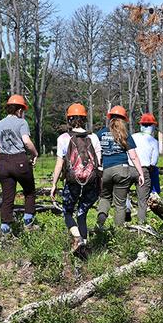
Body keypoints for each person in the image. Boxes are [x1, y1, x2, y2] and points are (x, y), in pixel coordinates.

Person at [50, 103, 102, 256]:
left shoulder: (63, 138)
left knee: (67, 212)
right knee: (82, 212)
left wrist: (54, 184)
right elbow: (98, 163)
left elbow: (60, 163)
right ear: (84, 119)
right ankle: (84, 247)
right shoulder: (93, 137)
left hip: (72, 181)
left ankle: (77, 238)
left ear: (69, 119)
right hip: (91, 181)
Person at [0, 94, 39, 234]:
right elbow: (26, 141)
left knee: (7, 198)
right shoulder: (21, 122)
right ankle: (28, 222)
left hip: (4, 162)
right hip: (19, 160)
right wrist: (35, 153)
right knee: (29, 191)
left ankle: (5, 230)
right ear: (19, 110)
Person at [96, 105, 146, 228]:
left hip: (105, 171)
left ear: (110, 118)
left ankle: (101, 220)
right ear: (123, 119)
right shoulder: (125, 134)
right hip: (122, 170)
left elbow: (95, 152)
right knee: (120, 204)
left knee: (105, 197)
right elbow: (133, 156)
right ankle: (118, 231)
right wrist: (141, 173)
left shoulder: (101, 134)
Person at [129, 112, 160, 223]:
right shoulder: (154, 141)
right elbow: (154, 162)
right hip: (144, 169)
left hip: (129, 168)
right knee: (142, 201)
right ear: (153, 126)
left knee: (122, 195)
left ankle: (124, 216)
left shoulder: (132, 137)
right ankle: (141, 225)